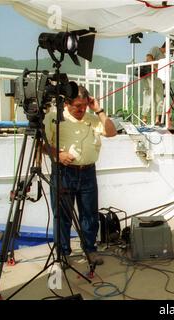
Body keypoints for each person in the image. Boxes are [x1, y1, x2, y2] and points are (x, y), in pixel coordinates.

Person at [43, 85, 117, 266]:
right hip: (63, 172)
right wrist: (58, 154)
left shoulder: (92, 118)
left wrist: (98, 110)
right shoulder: (54, 118)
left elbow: (112, 132)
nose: (81, 109)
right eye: (77, 105)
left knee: (89, 214)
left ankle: (90, 249)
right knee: (62, 216)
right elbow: (41, 144)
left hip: (88, 172)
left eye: (84, 105)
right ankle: (63, 253)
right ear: (67, 103)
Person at [139, 53, 164, 125]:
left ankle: (157, 119)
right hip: (148, 84)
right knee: (147, 100)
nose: (148, 60)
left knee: (160, 100)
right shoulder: (144, 66)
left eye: (149, 59)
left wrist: (153, 65)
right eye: (147, 59)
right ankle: (144, 118)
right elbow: (141, 75)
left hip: (157, 82)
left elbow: (160, 71)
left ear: (153, 59)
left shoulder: (156, 64)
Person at [147, 43, 167, 125]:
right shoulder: (155, 48)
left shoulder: (164, 56)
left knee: (160, 98)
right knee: (148, 96)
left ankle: (157, 119)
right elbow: (149, 58)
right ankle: (145, 119)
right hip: (150, 75)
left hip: (159, 78)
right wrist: (157, 68)